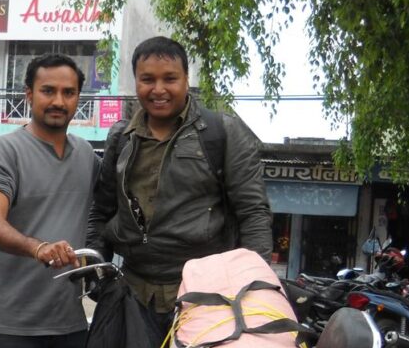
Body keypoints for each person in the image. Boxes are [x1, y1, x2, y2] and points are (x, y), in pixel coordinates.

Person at [86, 36, 272, 329]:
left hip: (207, 297)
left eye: (170, 78)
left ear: (186, 79)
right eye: (147, 79)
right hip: (132, 295)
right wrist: (97, 273)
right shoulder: (120, 137)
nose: (158, 89)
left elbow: (253, 214)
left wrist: (255, 288)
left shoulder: (222, 133)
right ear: (136, 82)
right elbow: (101, 211)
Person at [0, 53, 98, 348]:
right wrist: (38, 248)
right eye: (48, 91)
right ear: (28, 95)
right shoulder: (5, 150)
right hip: (10, 327)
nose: (59, 101)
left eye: (69, 92)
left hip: (70, 326)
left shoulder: (87, 156)